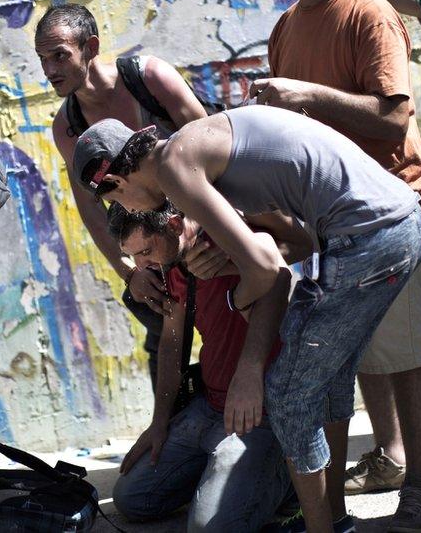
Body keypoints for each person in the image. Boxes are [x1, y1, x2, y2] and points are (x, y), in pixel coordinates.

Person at [71, 104, 421, 533]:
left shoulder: (174, 169)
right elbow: (282, 251)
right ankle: (331, 519)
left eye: (115, 199)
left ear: (116, 180)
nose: (124, 206)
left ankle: (321, 525)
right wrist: (235, 260)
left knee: (290, 398)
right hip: (388, 221)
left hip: (369, 233)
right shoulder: (192, 147)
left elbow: (266, 271)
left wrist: (235, 283)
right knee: (327, 388)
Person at [247, 0, 421, 530]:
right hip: (325, 221)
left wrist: (305, 94)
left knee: (406, 354)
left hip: (387, 213)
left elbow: (393, 119)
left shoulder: (368, 13)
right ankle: (389, 460)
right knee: (349, 357)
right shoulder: (288, 23)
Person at [34, 3, 208, 387]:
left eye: (60, 55)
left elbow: (213, 144)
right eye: (43, 59)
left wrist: (204, 225)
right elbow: (92, 210)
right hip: (153, 249)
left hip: (205, 224)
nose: (49, 70)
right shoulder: (69, 127)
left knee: (231, 318)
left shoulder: (149, 79)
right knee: (165, 339)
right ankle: (170, 430)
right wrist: (130, 271)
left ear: (90, 47)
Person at [109, 202, 302, 532]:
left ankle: (286, 480)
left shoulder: (235, 237)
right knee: (132, 498)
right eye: (133, 256)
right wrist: (160, 423)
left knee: (209, 527)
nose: (141, 265)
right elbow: (171, 344)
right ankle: (238, 481)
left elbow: (286, 280)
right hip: (209, 407)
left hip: (260, 413)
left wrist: (238, 265)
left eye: (145, 251)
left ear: (173, 225)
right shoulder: (169, 263)